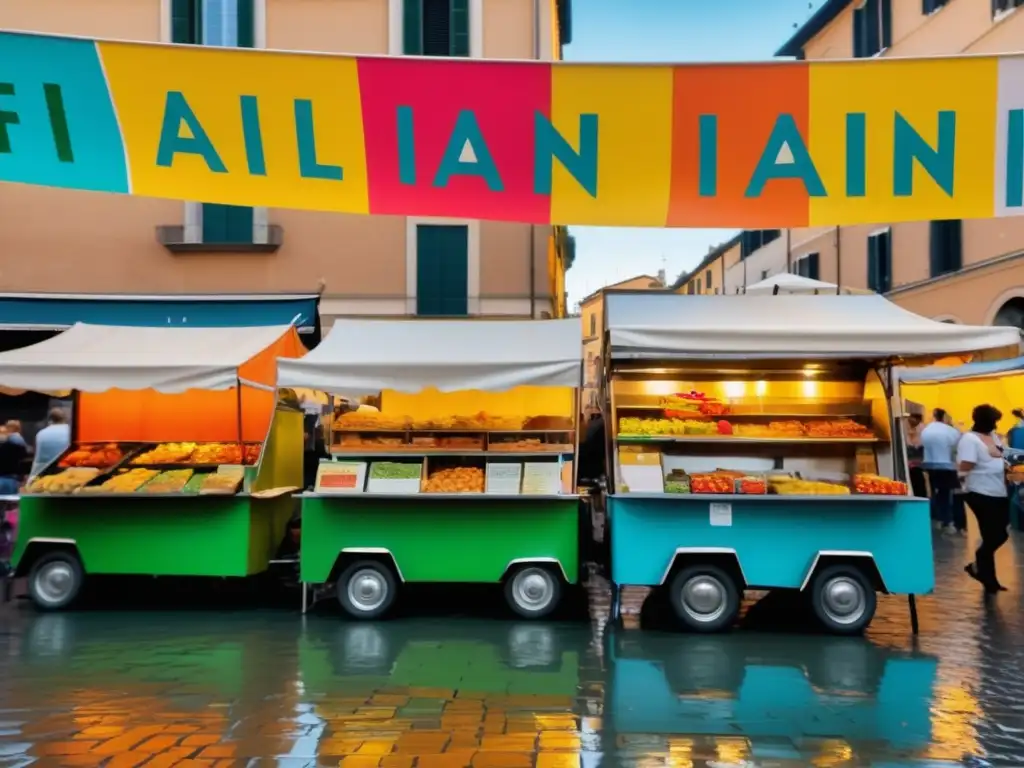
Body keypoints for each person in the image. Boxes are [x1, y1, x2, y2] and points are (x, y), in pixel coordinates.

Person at [959, 404, 1009, 594]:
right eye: (993, 421)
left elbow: (1000, 456)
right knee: (994, 535)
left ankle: (985, 575)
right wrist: (961, 484)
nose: (995, 425)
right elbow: (966, 463)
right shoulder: (970, 439)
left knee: (999, 532)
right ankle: (984, 573)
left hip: (998, 491)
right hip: (979, 492)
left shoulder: (993, 436)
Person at [920, 408, 962, 535]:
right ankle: (948, 521)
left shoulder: (926, 430)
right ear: (944, 416)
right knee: (946, 494)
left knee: (933, 492)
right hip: (947, 467)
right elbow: (957, 449)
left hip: (929, 466)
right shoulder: (951, 431)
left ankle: (936, 518)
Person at [30, 408, 70, 478]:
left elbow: (36, 455)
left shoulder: (41, 434)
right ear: (65, 418)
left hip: (44, 472)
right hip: (66, 471)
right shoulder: (71, 432)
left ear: (50, 420)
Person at [906, 413, 927, 499]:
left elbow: (917, 445)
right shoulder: (912, 428)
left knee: (918, 480)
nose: (909, 420)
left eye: (911, 418)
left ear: (917, 419)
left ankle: (920, 497)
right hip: (913, 461)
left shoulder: (922, 429)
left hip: (917, 460)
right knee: (916, 480)